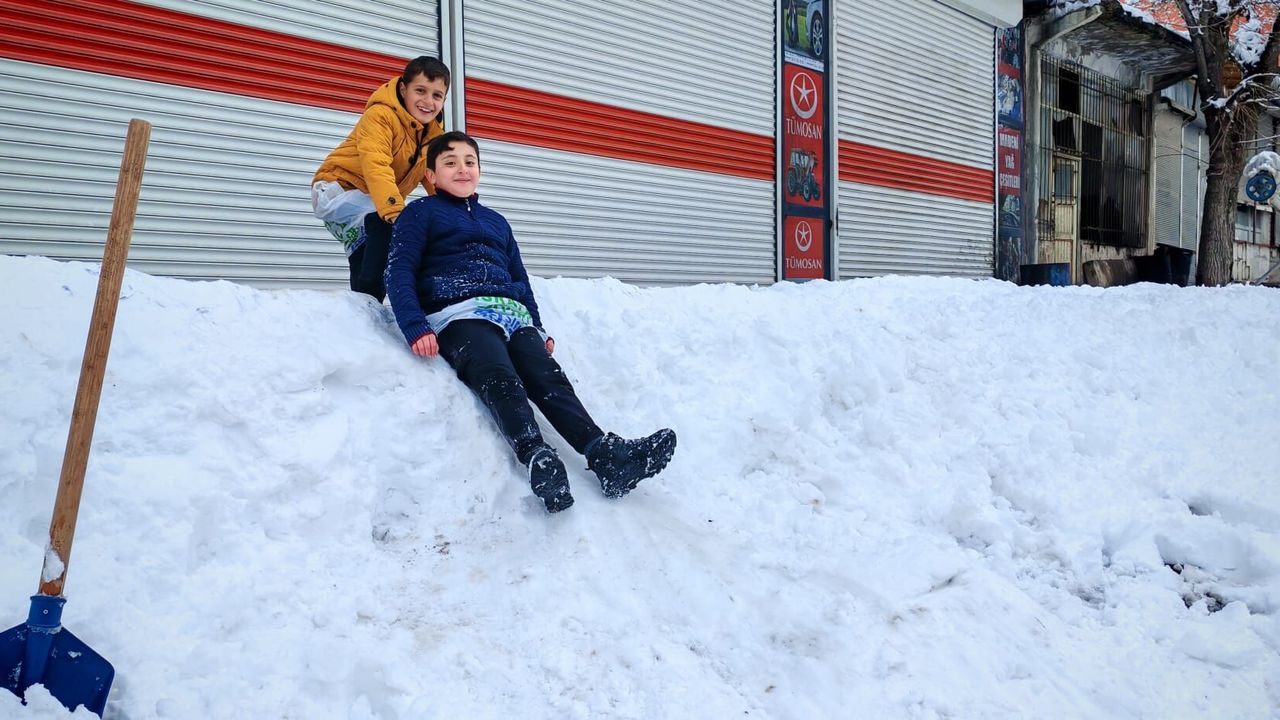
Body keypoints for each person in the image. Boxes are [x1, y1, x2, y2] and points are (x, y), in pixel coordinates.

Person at [383, 131, 677, 513]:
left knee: (547, 376)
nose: (462, 169)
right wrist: (414, 326)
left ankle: (605, 455)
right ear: (431, 175)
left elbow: (519, 279)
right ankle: (537, 455)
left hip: (510, 312)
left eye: (469, 161)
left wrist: (536, 326)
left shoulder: (497, 222)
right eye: (450, 162)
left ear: (480, 170)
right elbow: (399, 271)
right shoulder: (420, 214)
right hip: (458, 313)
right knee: (496, 371)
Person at [311, 56, 450, 302]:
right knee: (389, 224)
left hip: (370, 199)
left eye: (437, 95)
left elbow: (434, 179)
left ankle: (365, 306)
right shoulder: (380, 116)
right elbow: (377, 165)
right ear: (403, 88)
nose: (428, 102)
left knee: (370, 247)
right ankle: (370, 295)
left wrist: (458, 212)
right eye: (420, 90)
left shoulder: (432, 137)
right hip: (338, 188)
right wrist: (396, 212)